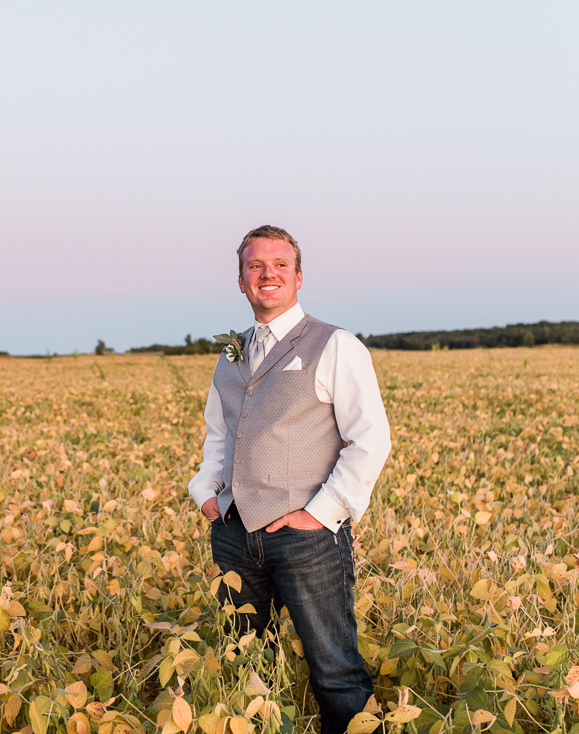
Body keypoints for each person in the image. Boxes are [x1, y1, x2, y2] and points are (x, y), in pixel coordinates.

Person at [188, 225, 391, 733]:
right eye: (255, 266)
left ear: (299, 277)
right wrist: (206, 495)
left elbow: (370, 440)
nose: (267, 275)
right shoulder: (231, 352)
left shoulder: (336, 345)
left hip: (307, 539)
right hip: (234, 535)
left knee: (336, 672)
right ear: (241, 282)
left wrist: (318, 515)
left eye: (279, 265)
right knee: (246, 666)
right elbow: (220, 433)